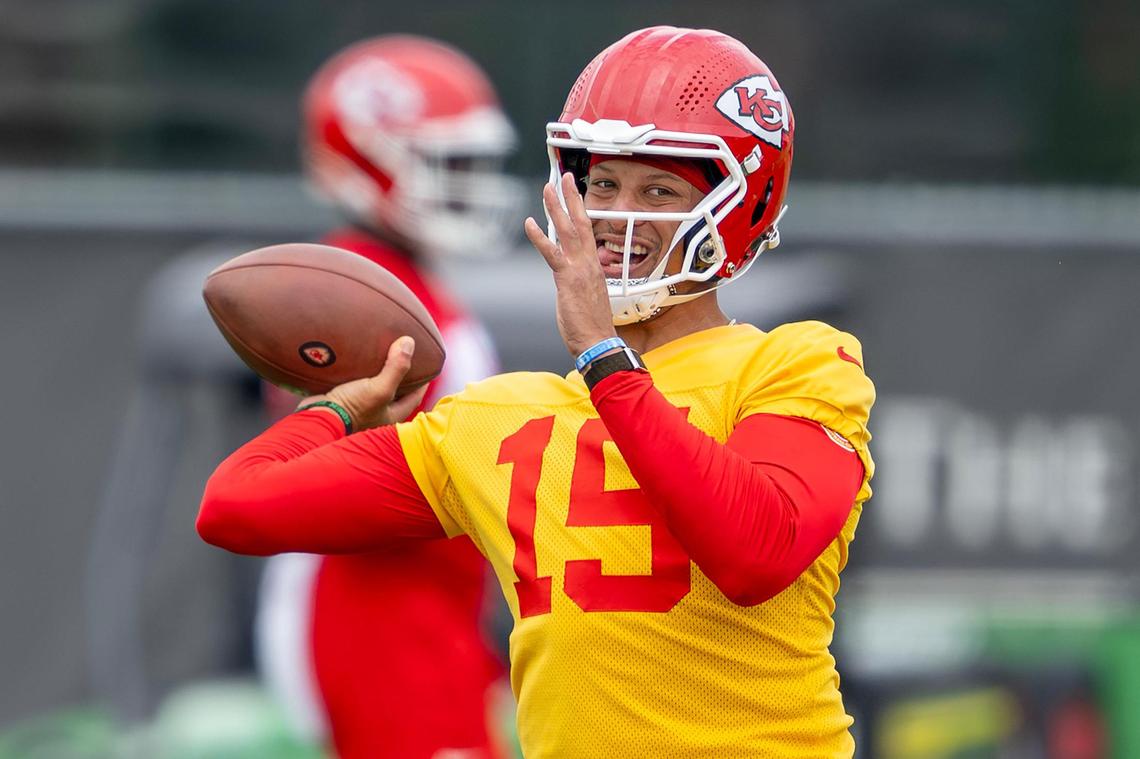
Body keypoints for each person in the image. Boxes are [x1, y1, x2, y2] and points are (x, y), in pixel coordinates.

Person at [200, 25, 875, 758]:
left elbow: (755, 552)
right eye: (603, 184)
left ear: (742, 205)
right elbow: (236, 506)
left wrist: (604, 358)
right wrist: (338, 409)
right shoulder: (498, 417)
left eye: (658, 189)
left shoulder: (799, 363)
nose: (615, 213)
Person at [252, 36, 518, 759]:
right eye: (444, 164)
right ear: (365, 160)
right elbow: (343, 480)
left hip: (425, 610)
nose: (466, 185)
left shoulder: (398, 280)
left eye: (469, 164)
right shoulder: (353, 293)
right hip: (379, 615)